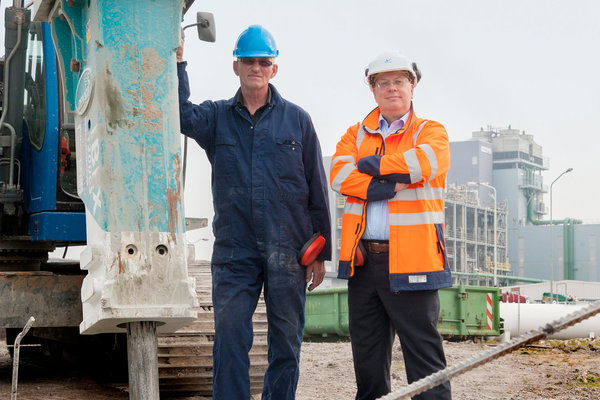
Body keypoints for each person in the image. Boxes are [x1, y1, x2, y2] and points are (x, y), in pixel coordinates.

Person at [176, 25, 331, 400]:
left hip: (288, 250)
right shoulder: (216, 117)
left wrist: (320, 252)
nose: (256, 68)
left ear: (274, 68)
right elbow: (179, 114)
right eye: (249, 61)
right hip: (235, 251)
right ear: (236, 66)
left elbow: (317, 188)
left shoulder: (297, 121)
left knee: (286, 342)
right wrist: (178, 63)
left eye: (264, 62)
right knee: (230, 337)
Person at [330, 51, 452, 400]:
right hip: (364, 263)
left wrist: (370, 165)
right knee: (367, 362)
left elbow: (424, 163)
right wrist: (386, 184)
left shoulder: (431, 131)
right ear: (373, 90)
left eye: (399, 81)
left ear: (413, 86)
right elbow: (338, 175)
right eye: (382, 83)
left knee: (425, 363)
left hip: (414, 261)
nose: (391, 88)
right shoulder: (355, 134)